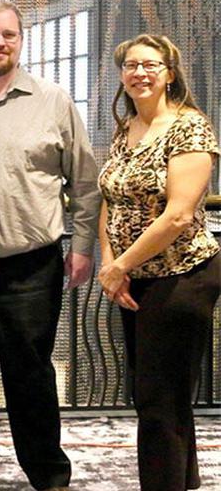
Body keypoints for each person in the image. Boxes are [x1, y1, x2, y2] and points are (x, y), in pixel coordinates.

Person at [0, 0, 100, 491]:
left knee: (30, 374)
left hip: (30, 267)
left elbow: (86, 183)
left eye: (9, 34)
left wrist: (84, 245)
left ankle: (48, 471)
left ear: (20, 40)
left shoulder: (54, 101)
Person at [98, 34, 219, 491]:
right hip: (135, 280)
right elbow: (110, 198)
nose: (139, 73)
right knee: (162, 397)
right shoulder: (125, 128)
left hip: (183, 276)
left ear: (170, 72)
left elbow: (179, 214)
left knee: (157, 399)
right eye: (131, 65)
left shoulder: (190, 127)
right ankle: (182, 482)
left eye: (150, 64)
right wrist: (113, 266)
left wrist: (119, 264)